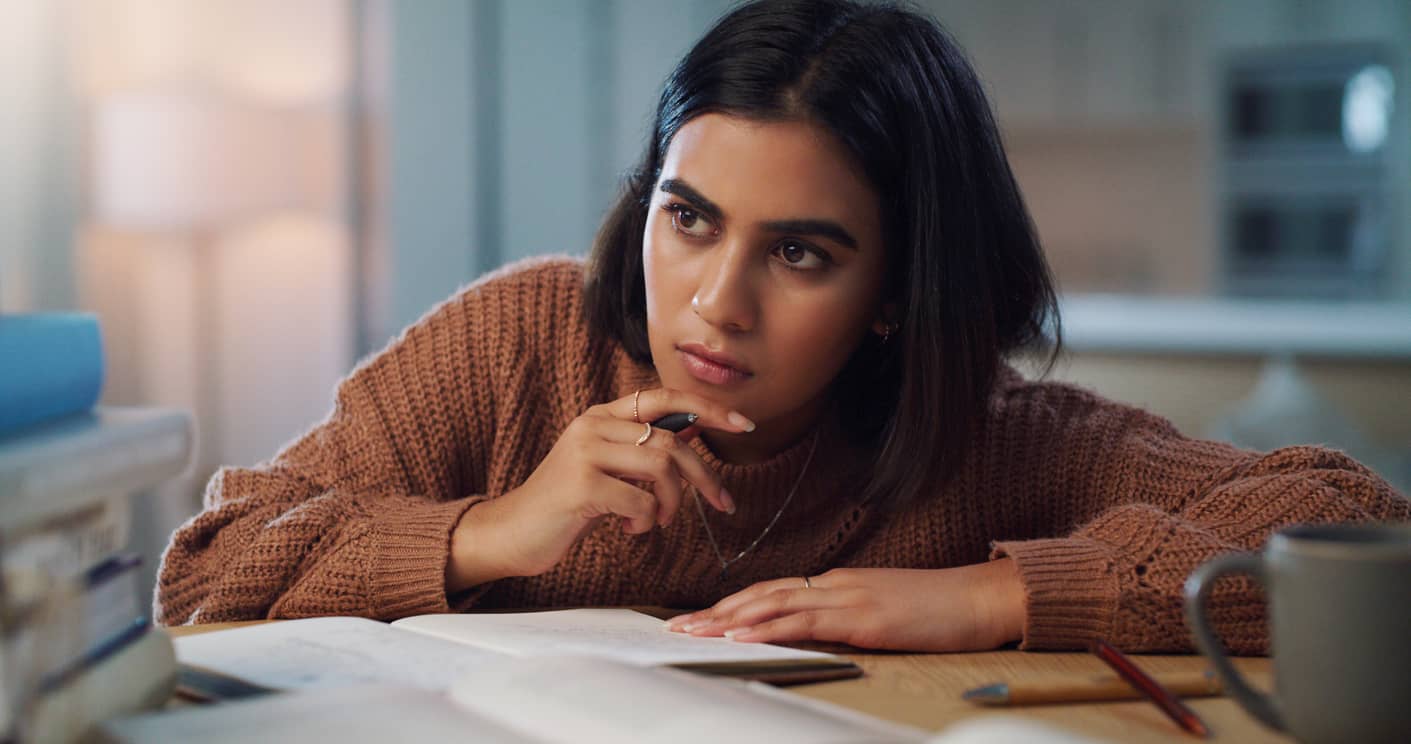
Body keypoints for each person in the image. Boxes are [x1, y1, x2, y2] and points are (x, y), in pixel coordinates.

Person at [155, 0, 1407, 653]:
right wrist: (496, 528)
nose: (715, 300)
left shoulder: (986, 439)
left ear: (896, 295)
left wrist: (991, 597)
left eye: (800, 252)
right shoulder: (516, 341)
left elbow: (1357, 521)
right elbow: (207, 572)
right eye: (688, 219)